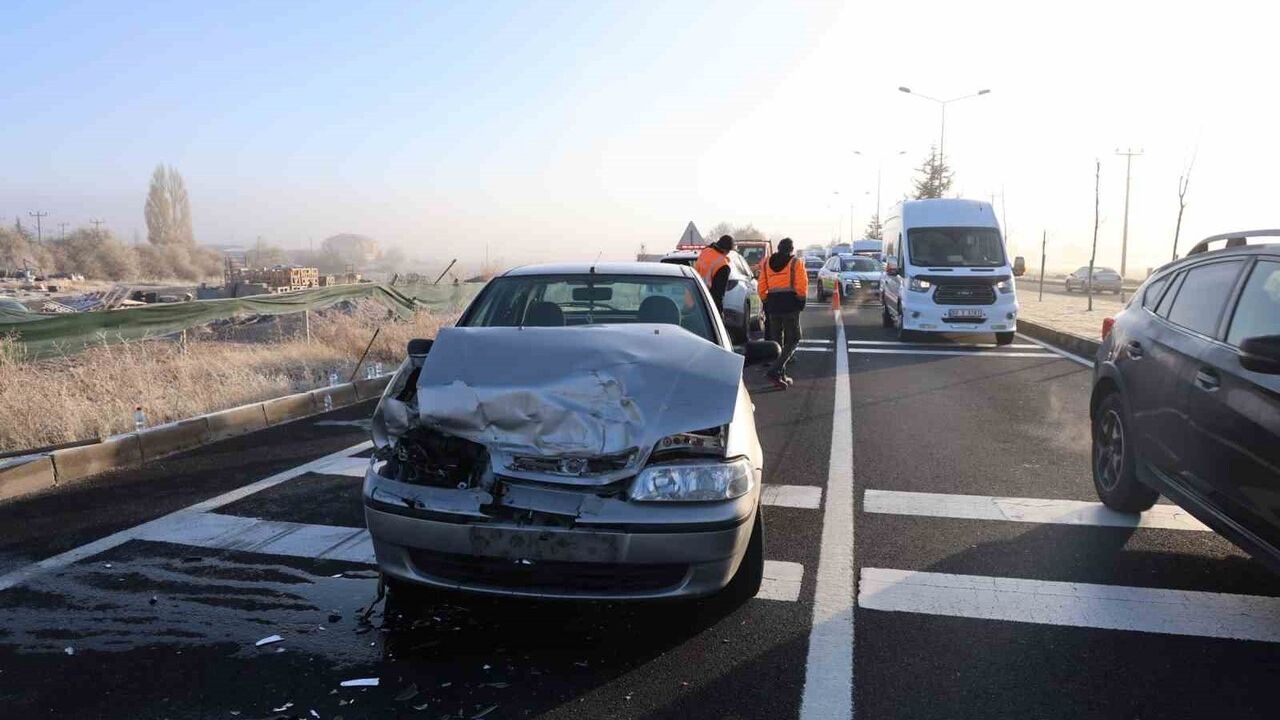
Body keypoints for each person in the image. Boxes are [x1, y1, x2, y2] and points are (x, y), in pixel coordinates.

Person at [758, 237, 807, 388]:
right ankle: (775, 370)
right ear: (791, 249)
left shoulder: (766, 263)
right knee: (794, 339)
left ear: (778, 248)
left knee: (777, 341)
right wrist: (801, 301)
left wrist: (765, 301)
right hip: (790, 304)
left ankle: (781, 375)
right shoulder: (796, 263)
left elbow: (761, 285)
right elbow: (801, 284)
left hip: (773, 305)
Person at [695, 235, 735, 312]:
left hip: (691, 299)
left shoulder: (705, 252)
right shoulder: (723, 265)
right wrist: (719, 313)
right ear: (727, 250)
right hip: (706, 305)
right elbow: (718, 295)